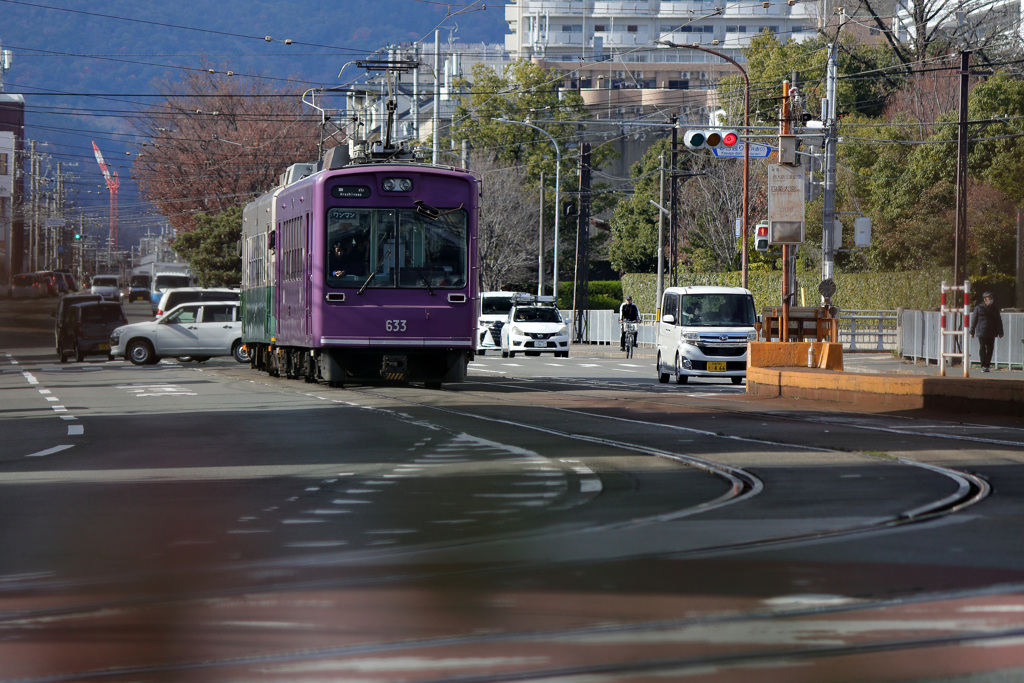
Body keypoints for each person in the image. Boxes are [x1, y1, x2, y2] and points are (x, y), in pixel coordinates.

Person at [970, 291, 1004, 373]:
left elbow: (998, 321)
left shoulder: (995, 308)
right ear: (985, 299)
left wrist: (1000, 332)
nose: (991, 299)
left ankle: (987, 365)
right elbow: (974, 320)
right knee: (982, 348)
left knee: (990, 349)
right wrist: (972, 331)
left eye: (992, 298)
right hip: (981, 331)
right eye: (990, 298)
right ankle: (983, 365)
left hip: (991, 331)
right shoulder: (978, 308)